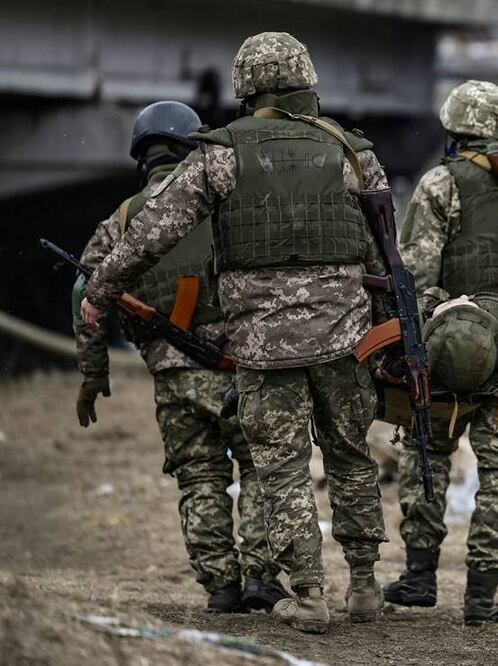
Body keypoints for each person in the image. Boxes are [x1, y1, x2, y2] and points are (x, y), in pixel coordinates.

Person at [80, 32, 389, 635]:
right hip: (344, 335)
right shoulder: (354, 153)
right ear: (306, 80)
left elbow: (152, 233)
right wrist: (385, 329)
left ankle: (309, 594)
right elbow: (383, 256)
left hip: (262, 344)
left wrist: (101, 291)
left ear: (246, 86)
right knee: (352, 457)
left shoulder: (220, 154)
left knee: (280, 466)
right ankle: (365, 584)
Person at [72, 100, 286, 614]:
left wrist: (92, 373)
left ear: (141, 157)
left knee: (199, 475)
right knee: (260, 466)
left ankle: (220, 585)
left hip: (172, 375)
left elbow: (87, 297)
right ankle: (261, 575)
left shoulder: (121, 221)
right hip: (238, 366)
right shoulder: (222, 205)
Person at [388, 80, 498, 625]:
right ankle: (483, 597)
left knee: (425, 455)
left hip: (446, 349)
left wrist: (433, 331)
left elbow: (414, 276)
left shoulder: (440, 184)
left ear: (453, 129)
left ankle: (418, 575)